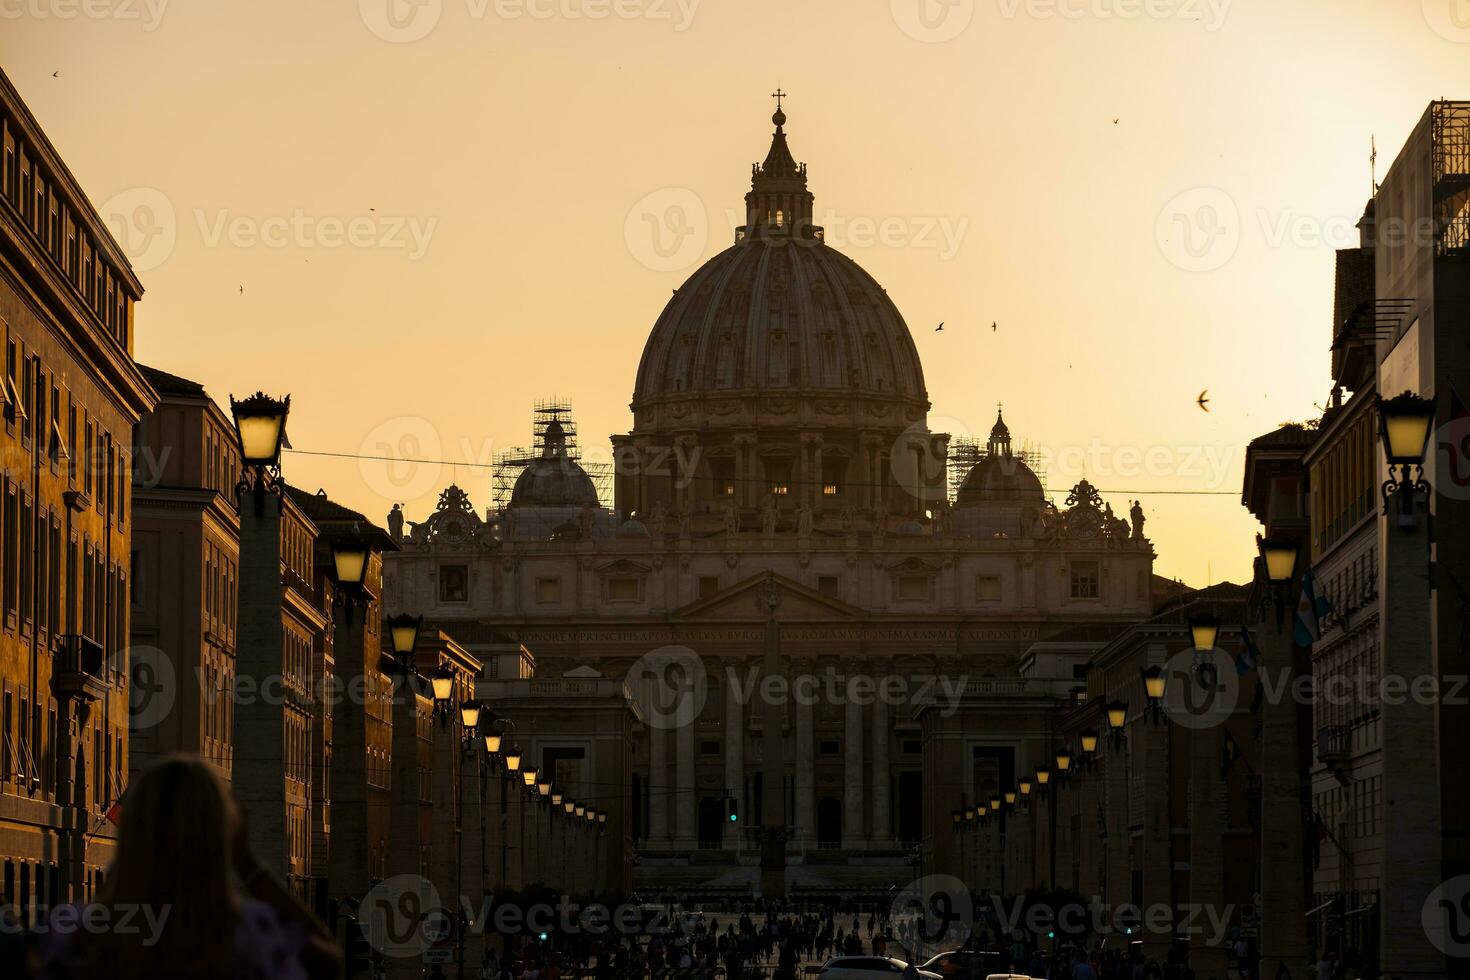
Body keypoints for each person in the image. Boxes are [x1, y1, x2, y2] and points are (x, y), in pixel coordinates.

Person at [38, 753, 339, 980]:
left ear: (132, 830)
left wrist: (128, 868)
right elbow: (330, 962)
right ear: (223, 836)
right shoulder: (250, 936)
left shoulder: (73, 934)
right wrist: (247, 865)